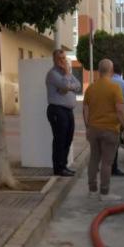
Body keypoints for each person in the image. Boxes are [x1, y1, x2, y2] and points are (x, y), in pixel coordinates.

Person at [82, 59, 124, 202]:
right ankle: (104, 192)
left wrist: (87, 127)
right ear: (112, 70)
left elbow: (85, 110)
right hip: (109, 130)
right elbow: (120, 110)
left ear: (99, 70)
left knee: (94, 160)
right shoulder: (115, 88)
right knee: (107, 163)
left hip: (93, 129)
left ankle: (92, 190)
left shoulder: (91, 88)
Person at [45, 48, 82, 176]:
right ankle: (58, 168)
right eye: (60, 58)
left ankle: (64, 166)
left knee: (68, 139)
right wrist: (66, 84)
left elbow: (78, 86)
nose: (63, 61)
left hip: (68, 111)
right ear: (54, 60)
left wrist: (66, 87)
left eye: (64, 58)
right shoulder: (53, 74)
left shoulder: (67, 74)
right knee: (60, 140)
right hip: (57, 111)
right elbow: (66, 86)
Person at [110, 62, 124, 177]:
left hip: (103, 118)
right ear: (121, 72)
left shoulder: (104, 82)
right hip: (117, 118)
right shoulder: (123, 83)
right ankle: (113, 168)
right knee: (114, 144)